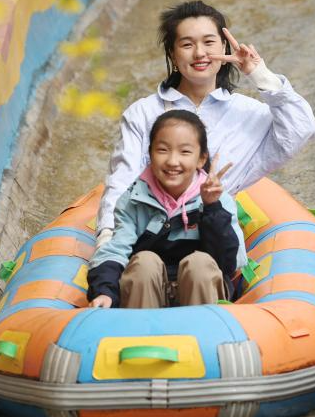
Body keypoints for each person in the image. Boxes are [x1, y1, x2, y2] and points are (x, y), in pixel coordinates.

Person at [95, 0, 315, 246]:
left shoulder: (250, 113)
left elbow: (302, 129)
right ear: (172, 54)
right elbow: (123, 179)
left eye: (209, 42)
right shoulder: (143, 112)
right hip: (148, 236)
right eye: (187, 44)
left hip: (216, 237)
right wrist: (108, 237)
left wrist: (259, 74)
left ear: (224, 48)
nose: (200, 53)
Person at [87, 109, 246, 309]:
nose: (172, 161)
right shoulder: (132, 200)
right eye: (162, 150)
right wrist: (104, 291)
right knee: (144, 262)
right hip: (148, 292)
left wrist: (211, 207)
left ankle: (202, 326)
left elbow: (230, 263)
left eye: (185, 152)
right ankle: (139, 326)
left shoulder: (218, 200)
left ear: (201, 159)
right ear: (150, 154)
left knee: (200, 264)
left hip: (201, 290)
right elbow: (116, 250)